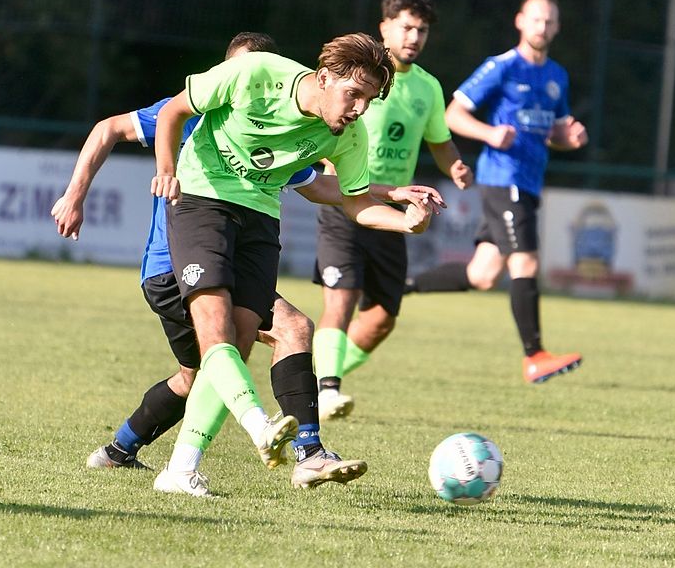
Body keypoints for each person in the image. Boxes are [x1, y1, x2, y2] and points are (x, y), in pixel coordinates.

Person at [52, 32, 443, 496]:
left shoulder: (341, 132)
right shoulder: (249, 78)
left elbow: (341, 196)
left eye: (368, 99)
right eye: (353, 95)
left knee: (223, 358)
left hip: (257, 223)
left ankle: (165, 463)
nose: (359, 108)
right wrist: (152, 175)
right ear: (322, 77)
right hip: (190, 224)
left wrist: (406, 220)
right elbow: (148, 118)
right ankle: (265, 431)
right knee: (221, 340)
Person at [405, 0, 589, 384]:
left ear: (556, 27)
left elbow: (551, 131)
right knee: (526, 262)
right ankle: (535, 355)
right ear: (520, 21)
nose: (542, 27)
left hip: (528, 182)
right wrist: (489, 133)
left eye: (550, 21)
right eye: (536, 19)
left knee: (483, 275)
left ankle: (399, 286)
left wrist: (566, 138)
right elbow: (454, 114)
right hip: (503, 180)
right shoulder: (501, 67)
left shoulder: (557, 75)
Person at [311, 0, 472, 421]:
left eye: (421, 30)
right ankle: (326, 389)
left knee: (381, 318)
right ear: (384, 28)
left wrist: (455, 166)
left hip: (389, 212)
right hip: (345, 203)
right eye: (406, 27)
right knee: (340, 301)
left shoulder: (428, 88)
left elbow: (440, 142)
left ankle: (317, 376)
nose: (414, 36)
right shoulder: (357, 76)